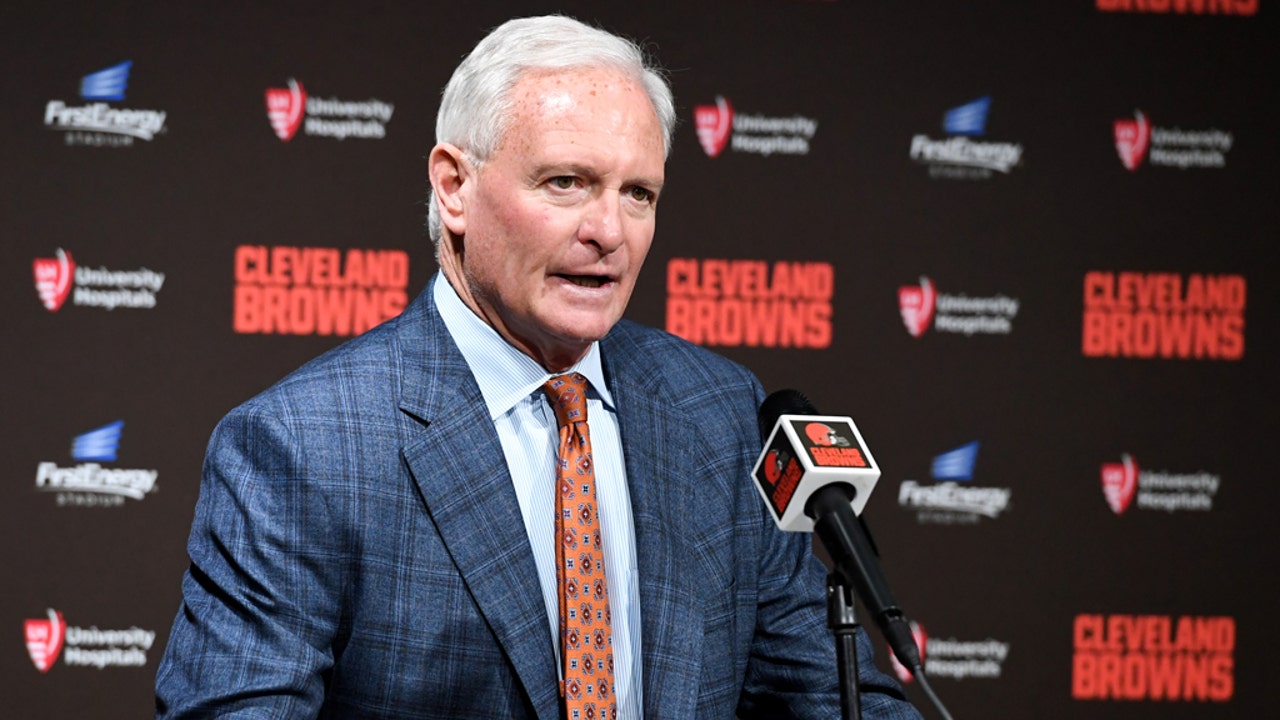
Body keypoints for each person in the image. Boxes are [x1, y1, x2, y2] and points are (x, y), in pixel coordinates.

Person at [156, 15, 921, 720]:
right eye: (566, 183)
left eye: (638, 194)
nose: (609, 231)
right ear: (454, 187)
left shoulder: (717, 411)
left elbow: (829, 696)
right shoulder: (301, 447)